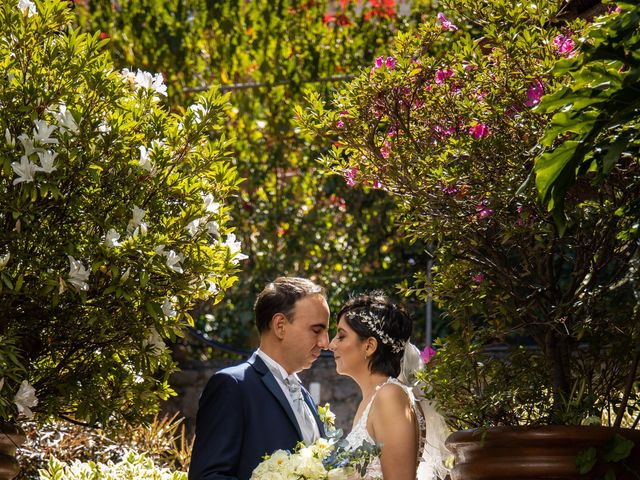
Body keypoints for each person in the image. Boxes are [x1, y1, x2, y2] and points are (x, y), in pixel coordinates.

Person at [188, 277, 330, 480]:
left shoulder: (305, 396)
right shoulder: (233, 386)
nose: (325, 342)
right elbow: (207, 476)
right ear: (280, 325)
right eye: (317, 330)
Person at [329, 291, 449, 480]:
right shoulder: (369, 402)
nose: (331, 344)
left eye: (341, 336)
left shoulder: (390, 396)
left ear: (369, 346)